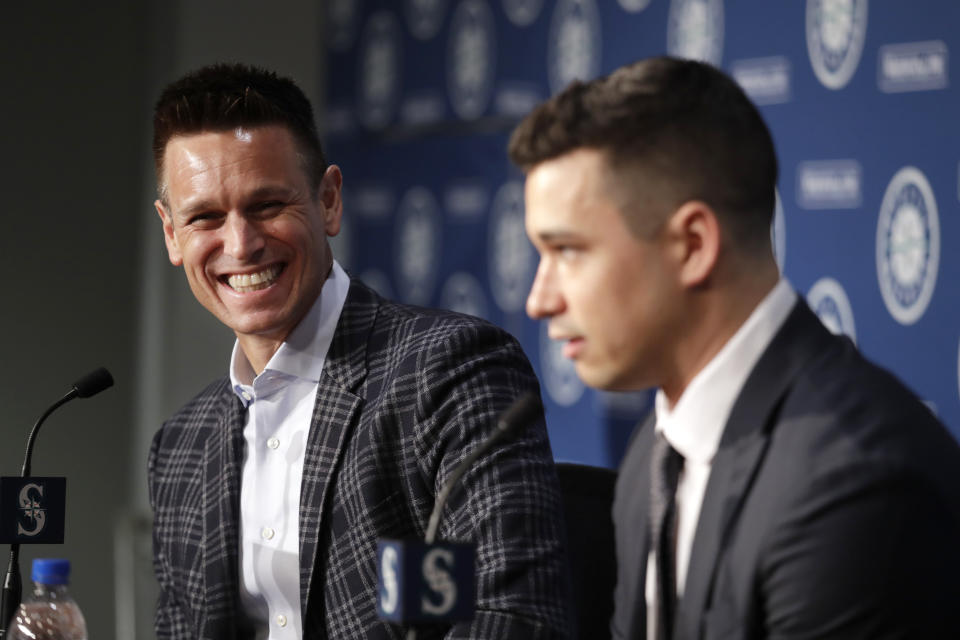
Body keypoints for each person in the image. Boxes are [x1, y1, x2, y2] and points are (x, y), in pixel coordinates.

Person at [509, 56, 960, 639]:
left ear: (693, 245)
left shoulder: (854, 483)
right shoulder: (656, 454)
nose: (538, 300)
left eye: (567, 251)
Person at [148, 63, 570, 640]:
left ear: (328, 201)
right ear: (172, 234)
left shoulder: (452, 371)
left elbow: (513, 620)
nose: (241, 244)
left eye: (268, 205)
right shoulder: (178, 449)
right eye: (205, 218)